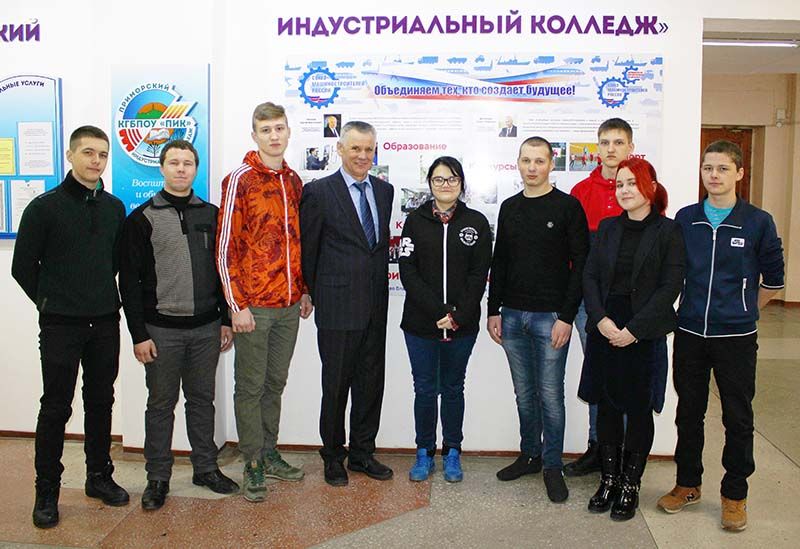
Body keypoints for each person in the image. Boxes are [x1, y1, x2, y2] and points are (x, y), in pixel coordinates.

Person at [658, 140, 784, 532]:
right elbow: (672, 271)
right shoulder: (686, 218)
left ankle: (734, 495)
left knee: (738, 417)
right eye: (708, 168)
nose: (714, 175)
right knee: (688, 413)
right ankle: (688, 484)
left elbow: (774, 280)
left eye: (723, 168)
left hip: (736, 337)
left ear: (739, 173)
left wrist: (744, 310)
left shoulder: (757, 222)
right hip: (690, 332)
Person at [12, 126, 129, 529]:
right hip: (61, 324)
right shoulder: (44, 207)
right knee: (56, 407)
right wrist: (52, 303)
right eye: (88, 153)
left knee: (101, 401)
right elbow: (22, 267)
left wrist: (96, 296)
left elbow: (113, 263)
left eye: (102, 154)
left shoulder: (114, 208)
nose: (96, 161)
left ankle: (99, 476)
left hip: (104, 322)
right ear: (71, 155)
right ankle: (47, 490)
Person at [119, 140, 239, 510]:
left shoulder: (212, 214)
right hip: (161, 331)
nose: (181, 169)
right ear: (162, 168)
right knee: (160, 405)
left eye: (188, 163)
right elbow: (129, 282)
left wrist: (225, 319)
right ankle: (158, 477)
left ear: (196, 168)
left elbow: (223, 272)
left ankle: (206, 467)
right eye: (174, 162)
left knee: (202, 401)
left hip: (206, 329)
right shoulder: (141, 219)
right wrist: (139, 335)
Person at [579, 158, 685, 521]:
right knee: (606, 405)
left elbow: (670, 286)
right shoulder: (608, 228)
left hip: (643, 331)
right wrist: (600, 319)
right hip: (606, 327)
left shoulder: (668, 231)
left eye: (632, 183)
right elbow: (590, 276)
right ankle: (608, 480)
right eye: (620, 184)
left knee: (638, 409)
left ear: (650, 188)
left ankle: (630, 484)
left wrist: (634, 330)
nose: (624, 190)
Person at [217, 102, 313, 503]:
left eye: (279, 128)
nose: (274, 136)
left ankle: (269, 452)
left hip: (289, 307)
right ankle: (252, 461)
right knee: (250, 387)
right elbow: (225, 248)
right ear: (254, 135)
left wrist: (303, 288)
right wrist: (236, 305)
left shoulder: (294, 181)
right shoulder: (240, 180)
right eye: (266, 130)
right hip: (253, 308)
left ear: (288, 132)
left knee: (275, 383)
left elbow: (297, 241)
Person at [487, 136, 589, 503]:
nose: (532, 167)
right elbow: (500, 261)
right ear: (518, 163)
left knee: (550, 394)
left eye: (540, 161)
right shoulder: (510, 207)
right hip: (512, 316)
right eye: (526, 160)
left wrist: (566, 316)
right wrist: (493, 309)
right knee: (524, 393)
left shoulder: (568, 207)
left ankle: (552, 465)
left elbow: (581, 265)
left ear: (551, 164)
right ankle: (530, 455)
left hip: (551, 318)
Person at [300, 120, 395, 487]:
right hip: (337, 306)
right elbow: (310, 248)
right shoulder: (319, 192)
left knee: (371, 384)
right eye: (355, 148)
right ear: (340, 149)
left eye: (369, 149)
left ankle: (362, 453)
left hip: (375, 306)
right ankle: (332, 456)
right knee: (336, 386)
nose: (362, 155)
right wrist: (309, 291)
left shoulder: (384, 191)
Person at [398, 157, 492, 483]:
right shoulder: (415, 221)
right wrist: (439, 311)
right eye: (438, 179)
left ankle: (452, 451)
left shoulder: (476, 222)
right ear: (430, 184)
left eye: (452, 179)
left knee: (453, 388)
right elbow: (408, 271)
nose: (445, 185)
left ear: (462, 183)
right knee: (424, 389)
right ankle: (424, 451)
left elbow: (479, 275)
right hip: (420, 324)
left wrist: (457, 315)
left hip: (462, 325)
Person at [566, 118, 634, 477]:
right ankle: (598, 448)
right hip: (588, 303)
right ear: (597, 148)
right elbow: (575, 254)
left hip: (628, 302)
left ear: (630, 148)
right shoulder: (580, 191)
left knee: (624, 375)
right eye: (605, 142)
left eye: (618, 142)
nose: (611, 149)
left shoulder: (640, 190)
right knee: (597, 371)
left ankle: (622, 451)